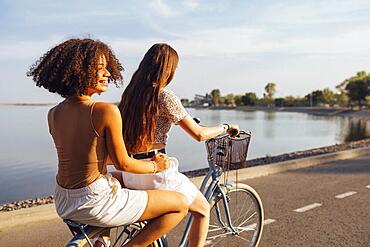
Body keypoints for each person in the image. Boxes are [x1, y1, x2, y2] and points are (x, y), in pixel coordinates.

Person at [27, 38, 189, 247]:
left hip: (64, 200)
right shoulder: (105, 110)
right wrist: (156, 166)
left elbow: (91, 158)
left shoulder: (54, 113)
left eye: (108, 68)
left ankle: (100, 240)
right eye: (101, 68)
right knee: (180, 204)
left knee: (113, 183)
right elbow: (124, 163)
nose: (109, 74)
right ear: (80, 70)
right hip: (94, 202)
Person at [118, 43, 239, 247]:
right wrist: (225, 126)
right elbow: (199, 134)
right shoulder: (164, 95)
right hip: (156, 173)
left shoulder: (130, 95)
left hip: (132, 173)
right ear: (168, 69)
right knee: (202, 209)